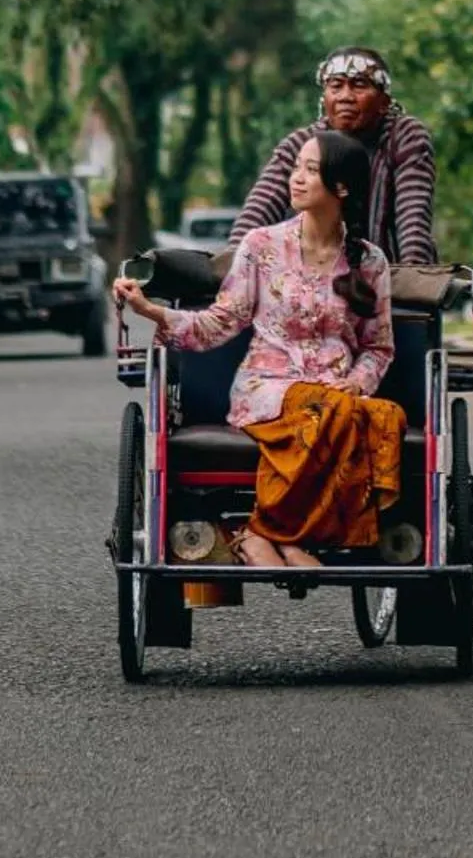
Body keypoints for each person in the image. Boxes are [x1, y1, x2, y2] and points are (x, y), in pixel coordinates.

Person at [114, 128, 403, 571]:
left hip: (336, 394)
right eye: (296, 168)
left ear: (342, 187)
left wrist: (358, 382)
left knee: (385, 416)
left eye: (311, 170)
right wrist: (150, 310)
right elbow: (219, 324)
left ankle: (271, 535)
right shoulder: (261, 246)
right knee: (326, 412)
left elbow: (378, 347)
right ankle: (280, 535)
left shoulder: (370, 261)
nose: (296, 178)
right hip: (268, 390)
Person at [227, 47, 437, 264]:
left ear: (383, 102)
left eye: (359, 85)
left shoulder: (403, 136)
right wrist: (234, 263)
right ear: (324, 98)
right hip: (314, 273)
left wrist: (413, 273)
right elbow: (259, 208)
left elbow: (414, 220)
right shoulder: (302, 143)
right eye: (336, 86)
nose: (345, 97)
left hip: (392, 272)